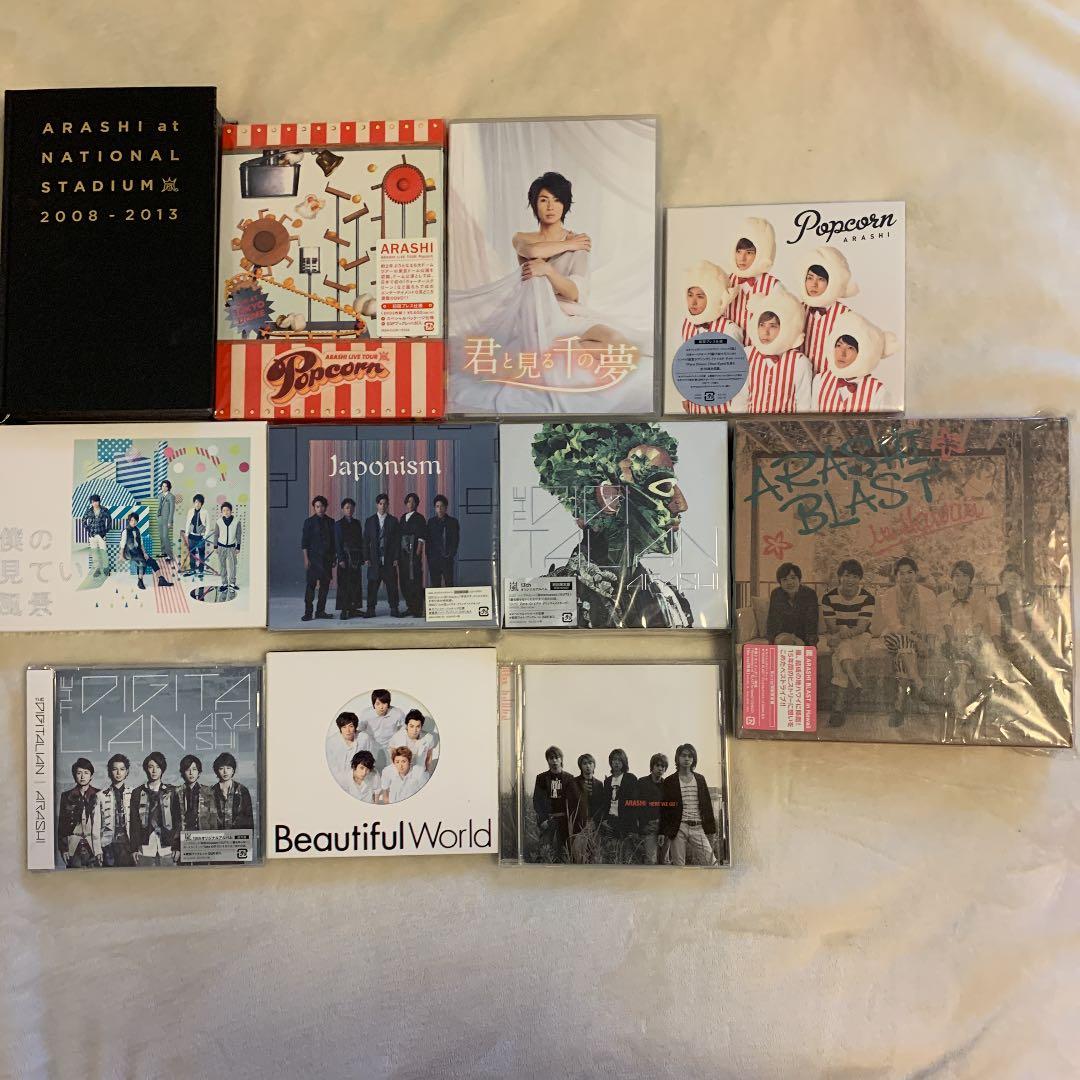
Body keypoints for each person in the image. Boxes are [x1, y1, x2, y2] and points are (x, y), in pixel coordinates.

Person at [530, 422, 693, 628]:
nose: (681, 505)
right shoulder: (545, 601)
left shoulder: (672, 602)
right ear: (608, 497)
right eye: (664, 486)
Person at [872, 556, 942, 727]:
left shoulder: (927, 594)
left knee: (903, 653)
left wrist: (929, 644)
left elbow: (932, 622)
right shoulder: (889, 595)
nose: (906, 577)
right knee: (904, 641)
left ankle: (899, 707)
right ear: (896, 576)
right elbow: (894, 625)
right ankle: (919, 684)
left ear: (916, 574)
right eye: (901, 573)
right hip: (893, 637)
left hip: (915, 640)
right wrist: (918, 641)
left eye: (910, 572)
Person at [676, 260, 744, 416]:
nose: (693, 302)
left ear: (713, 297)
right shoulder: (686, 325)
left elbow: (738, 374)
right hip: (695, 404)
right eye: (690, 295)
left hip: (724, 407)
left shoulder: (729, 329)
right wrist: (685, 395)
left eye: (700, 296)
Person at [731, 288, 813, 414]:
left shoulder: (799, 362)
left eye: (773, 326)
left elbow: (804, 405)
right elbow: (740, 399)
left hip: (786, 425)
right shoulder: (747, 355)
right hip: (752, 424)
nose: (765, 332)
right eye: (762, 325)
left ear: (785, 328)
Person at [821, 559, 876, 726]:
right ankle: (854, 682)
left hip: (861, 637)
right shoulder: (828, 598)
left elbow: (861, 628)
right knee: (844, 647)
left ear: (859, 579)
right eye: (846, 576)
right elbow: (831, 626)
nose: (850, 580)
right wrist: (840, 631)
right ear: (840, 577)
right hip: (840, 637)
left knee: (841, 650)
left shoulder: (867, 598)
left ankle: (838, 709)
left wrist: (842, 632)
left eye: (854, 576)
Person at [940, 560, 996, 722]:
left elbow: (978, 623)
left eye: (965, 575)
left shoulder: (980, 597)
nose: (961, 580)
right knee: (959, 660)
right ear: (952, 578)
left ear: (970, 578)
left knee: (970, 660)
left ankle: (961, 706)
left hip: (974, 640)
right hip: (950, 641)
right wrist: (954, 640)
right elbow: (946, 623)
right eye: (957, 575)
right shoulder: (943, 598)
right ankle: (963, 708)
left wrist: (969, 639)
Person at [812, 310, 896, 413]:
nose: (842, 353)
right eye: (838, 345)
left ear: (862, 353)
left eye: (850, 348)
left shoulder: (878, 391)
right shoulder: (820, 381)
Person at [796, 246, 860, 376]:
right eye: (810, 278)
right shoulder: (797, 309)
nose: (814, 284)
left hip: (828, 381)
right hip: (799, 380)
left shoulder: (845, 315)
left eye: (821, 279)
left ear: (831, 282)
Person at [660, 744, 719, 866]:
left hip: (698, 827)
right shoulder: (670, 781)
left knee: (712, 863)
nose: (687, 759)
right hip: (679, 828)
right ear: (678, 758)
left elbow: (707, 806)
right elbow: (664, 809)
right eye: (683, 755)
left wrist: (711, 830)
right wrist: (662, 831)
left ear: (694, 759)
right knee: (679, 867)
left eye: (690, 756)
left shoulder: (700, 779)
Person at [725, 218, 779, 338]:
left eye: (749, 253)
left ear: (760, 254)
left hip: (759, 348)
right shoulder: (726, 281)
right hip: (731, 347)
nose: (742, 258)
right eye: (739, 251)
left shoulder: (773, 286)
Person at [129, 752, 182, 866]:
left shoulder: (172, 792)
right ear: (146, 769)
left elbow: (177, 821)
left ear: (162, 769)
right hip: (145, 846)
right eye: (151, 767)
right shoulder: (137, 792)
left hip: (167, 846)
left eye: (158, 767)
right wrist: (134, 848)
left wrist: (177, 846)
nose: (154, 771)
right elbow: (134, 822)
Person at [531, 745, 581, 863]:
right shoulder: (541, 778)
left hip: (564, 821)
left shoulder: (569, 778)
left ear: (561, 759)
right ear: (547, 760)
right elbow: (537, 801)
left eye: (557, 758)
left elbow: (574, 802)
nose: (554, 761)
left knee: (564, 853)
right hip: (548, 820)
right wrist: (542, 820)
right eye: (551, 758)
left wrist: (572, 822)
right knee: (545, 851)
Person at [363, 493, 403, 618]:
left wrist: (396, 557)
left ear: (388, 505)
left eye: (385, 504)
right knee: (372, 585)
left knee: (392, 585)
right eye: (380, 504)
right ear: (377, 505)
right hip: (374, 559)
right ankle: (370, 609)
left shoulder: (393, 521)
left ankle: (394, 608)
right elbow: (365, 541)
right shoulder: (370, 521)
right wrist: (366, 557)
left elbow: (397, 541)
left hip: (389, 559)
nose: (383, 506)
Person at [91, 754, 134, 867]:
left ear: (127, 772)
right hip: (108, 845)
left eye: (122, 769)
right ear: (110, 772)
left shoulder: (134, 793)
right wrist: (97, 850)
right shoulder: (100, 795)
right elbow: (96, 825)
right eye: (115, 769)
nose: (118, 773)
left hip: (128, 844)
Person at [765, 562, 820, 647]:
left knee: (796, 644)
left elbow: (812, 622)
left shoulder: (809, 594)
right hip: (782, 637)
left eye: (793, 578)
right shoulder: (776, 594)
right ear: (780, 582)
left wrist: (811, 645)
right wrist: (771, 643)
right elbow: (772, 621)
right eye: (784, 579)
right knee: (785, 640)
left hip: (804, 637)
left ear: (799, 579)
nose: (789, 582)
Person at [58, 757, 98, 868]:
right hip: (73, 844)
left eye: (86, 773)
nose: (82, 776)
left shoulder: (99, 794)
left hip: (94, 844)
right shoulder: (66, 796)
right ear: (74, 775)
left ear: (91, 776)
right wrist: (63, 849)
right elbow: (62, 825)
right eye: (79, 773)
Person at [600, 748, 638, 863]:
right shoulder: (607, 781)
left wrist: (633, 827)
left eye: (619, 760)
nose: (616, 762)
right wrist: (604, 820)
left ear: (624, 762)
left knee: (626, 858)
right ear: (610, 762)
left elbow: (634, 804)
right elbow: (605, 803)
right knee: (611, 856)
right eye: (614, 760)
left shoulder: (630, 778)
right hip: (611, 822)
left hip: (626, 822)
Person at [301, 495, 335, 622]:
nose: (320, 509)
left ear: (326, 507)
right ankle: (308, 613)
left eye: (322, 506)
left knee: (324, 587)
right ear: (314, 508)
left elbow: (333, 542)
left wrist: (334, 558)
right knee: (310, 586)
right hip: (313, 559)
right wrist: (306, 559)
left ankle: (320, 611)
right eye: (317, 506)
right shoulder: (309, 522)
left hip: (327, 559)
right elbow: (304, 542)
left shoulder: (331, 522)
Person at [326, 710, 377, 791]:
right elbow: (330, 766)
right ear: (340, 728)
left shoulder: (364, 738)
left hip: (361, 779)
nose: (348, 730)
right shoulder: (332, 742)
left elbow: (370, 759)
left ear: (355, 727)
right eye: (344, 727)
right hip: (338, 781)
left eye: (351, 726)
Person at [357, 689, 406, 772]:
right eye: (378, 704)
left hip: (390, 744)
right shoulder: (366, 714)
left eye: (384, 703)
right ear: (373, 704)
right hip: (372, 744)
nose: (381, 707)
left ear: (388, 703)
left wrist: (396, 738)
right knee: (368, 767)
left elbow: (405, 726)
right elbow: (359, 730)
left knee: (393, 768)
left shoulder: (397, 713)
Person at [121, 513, 173, 590]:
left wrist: (145, 553)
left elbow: (141, 543)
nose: (133, 522)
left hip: (138, 551)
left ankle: (161, 579)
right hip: (130, 552)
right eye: (131, 520)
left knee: (152, 561)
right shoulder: (126, 531)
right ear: (129, 521)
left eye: (135, 520)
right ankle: (140, 581)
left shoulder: (137, 530)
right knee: (142, 562)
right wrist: (121, 555)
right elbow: (122, 544)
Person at [570, 753, 606, 864]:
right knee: (579, 856)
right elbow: (571, 805)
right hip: (578, 826)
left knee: (593, 856)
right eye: (584, 763)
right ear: (580, 766)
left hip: (595, 826)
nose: (588, 766)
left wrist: (595, 822)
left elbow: (601, 806)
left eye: (590, 763)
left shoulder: (599, 784)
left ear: (594, 765)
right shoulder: (574, 783)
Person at [635, 754, 670, 865]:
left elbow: (668, 809)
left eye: (663, 766)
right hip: (649, 826)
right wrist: (643, 825)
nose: (660, 768)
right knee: (651, 861)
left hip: (664, 827)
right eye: (657, 765)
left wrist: (664, 829)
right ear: (652, 766)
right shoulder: (642, 782)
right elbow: (636, 806)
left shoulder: (667, 785)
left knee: (665, 861)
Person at [334, 497, 365, 620]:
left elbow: (360, 541)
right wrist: (340, 559)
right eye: (347, 508)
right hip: (345, 558)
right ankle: (344, 609)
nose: (349, 510)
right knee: (344, 584)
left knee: (355, 583)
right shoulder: (338, 524)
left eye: (351, 508)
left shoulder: (357, 523)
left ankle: (354, 609)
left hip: (356, 558)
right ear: (342, 509)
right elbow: (337, 543)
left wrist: (361, 557)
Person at [398, 492, 427, 617]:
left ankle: (417, 609)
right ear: (406, 503)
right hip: (403, 554)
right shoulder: (402, 517)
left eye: (414, 501)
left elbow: (421, 538)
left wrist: (417, 555)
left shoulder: (420, 518)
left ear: (417, 504)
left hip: (413, 554)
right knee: (404, 580)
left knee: (415, 580)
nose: (411, 504)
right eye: (409, 501)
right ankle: (410, 607)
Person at [209, 752, 255, 831]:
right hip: (217, 836)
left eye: (228, 768)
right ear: (217, 771)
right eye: (221, 768)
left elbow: (249, 820)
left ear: (233, 770)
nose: (225, 772)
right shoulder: (211, 792)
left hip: (238, 836)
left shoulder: (242, 790)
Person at [388, 708, 436, 778]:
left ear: (421, 726)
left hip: (419, 774)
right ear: (407, 725)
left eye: (418, 726)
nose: (414, 730)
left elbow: (429, 758)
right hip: (402, 774)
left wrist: (428, 773)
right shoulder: (397, 737)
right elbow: (392, 755)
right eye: (411, 726)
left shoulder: (428, 738)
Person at [426, 494, 460, 588]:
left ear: (446, 508)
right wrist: (429, 556)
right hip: (434, 559)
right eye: (437, 506)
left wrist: (451, 554)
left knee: (449, 584)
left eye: (442, 506)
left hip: (447, 558)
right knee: (435, 585)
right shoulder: (431, 522)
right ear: (435, 508)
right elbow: (428, 541)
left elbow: (455, 540)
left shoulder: (453, 522)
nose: (439, 509)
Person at [177, 754, 213, 835]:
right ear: (183, 772)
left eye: (194, 769)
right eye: (187, 769)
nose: (191, 773)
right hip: (183, 835)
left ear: (199, 772)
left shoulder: (208, 792)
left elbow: (212, 818)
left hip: (203, 834)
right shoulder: (177, 792)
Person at [212, 500, 242, 594]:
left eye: (228, 510)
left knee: (233, 565)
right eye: (224, 510)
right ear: (221, 512)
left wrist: (238, 547)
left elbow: (238, 535)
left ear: (231, 511)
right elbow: (216, 535)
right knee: (222, 566)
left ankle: (232, 583)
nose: (226, 512)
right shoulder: (219, 522)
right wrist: (215, 546)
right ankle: (224, 583)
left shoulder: (237, 521)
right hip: (221, 547)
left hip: (232, 547)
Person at [83, 494, 111, 578]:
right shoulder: (89, 511)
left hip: (101, 535)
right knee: (95, 553)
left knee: (103, 552)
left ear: (99, 501)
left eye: (96, 501)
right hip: (92, 535)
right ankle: (97, 569)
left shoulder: (104, 510)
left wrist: (106, 531)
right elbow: (84, 520)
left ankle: (106, 569)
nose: (95, 503)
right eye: (93, 502)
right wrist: (88, 530)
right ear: (91, 503)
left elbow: (109, 520)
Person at [182, 494, 209, 580]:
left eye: (199, 502)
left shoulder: (205, 512)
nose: (197, 504)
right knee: (192, 554)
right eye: (196, 502)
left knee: (201, 554)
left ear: (202, 503)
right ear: (194, 502)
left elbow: (208, 525)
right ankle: (193, 569)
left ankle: (201, 570)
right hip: (191, 536)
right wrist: (187, 534)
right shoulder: (190, 511)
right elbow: (187, 522)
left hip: (200, 537)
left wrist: (205, 536)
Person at [157, 479, 176, 563]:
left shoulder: (171, 496)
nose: (164, 488)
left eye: (166, 486)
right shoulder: (160, 495)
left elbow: (172, 510)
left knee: (165, 537)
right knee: (161, 537)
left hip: (166, 520)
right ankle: (163, 553)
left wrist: (170, 521)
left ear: (169, 487)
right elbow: (159, 507)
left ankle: (169, 555)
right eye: (163, 486)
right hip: (160, 519)